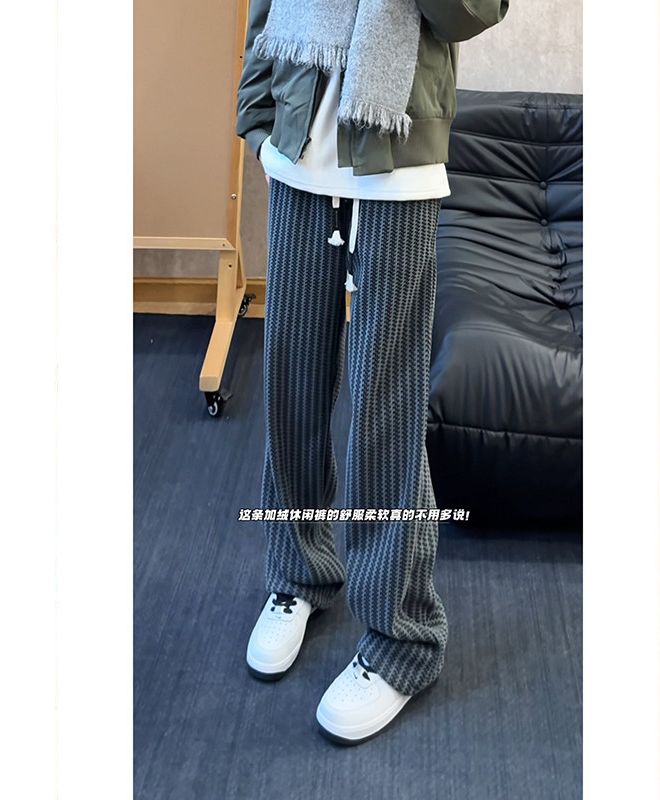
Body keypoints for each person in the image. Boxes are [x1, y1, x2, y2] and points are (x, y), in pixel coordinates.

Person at [235, 0, 509, 745]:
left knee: (385, 403)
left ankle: (401, 636)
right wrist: (256, 107)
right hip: (298, 141)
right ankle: (296, 572)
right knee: (290, 382)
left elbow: (474, 12)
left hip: (399, 153)